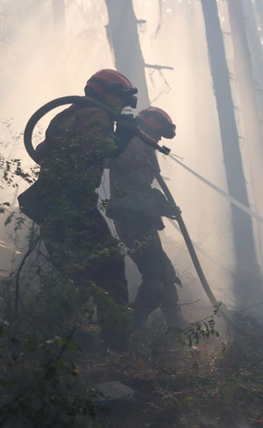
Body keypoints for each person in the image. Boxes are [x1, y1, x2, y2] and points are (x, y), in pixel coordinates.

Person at [18, 69, 139, 351]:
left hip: (49, 203)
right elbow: (98, 149)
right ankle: (115, 348)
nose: (122, 106)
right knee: (110, 267)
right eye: (121, 99)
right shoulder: (97, 115)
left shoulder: (68, 114)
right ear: (108, 93)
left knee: (78, 276)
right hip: (73, 204)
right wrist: (123, 137)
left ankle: (43, 340)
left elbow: (44, 151)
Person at [107, 106, 186, 330]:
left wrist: (163, 205)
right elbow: (131, 187)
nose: (160, 139)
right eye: (159, 133)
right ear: (150, 126)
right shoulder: (129, 142)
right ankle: (126, 329)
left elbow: (142, 189)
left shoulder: (143, 146)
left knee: (166, 273)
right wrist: (162, 205)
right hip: (130, 219)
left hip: (141, 219)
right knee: (155, 280)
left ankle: (177, 326)